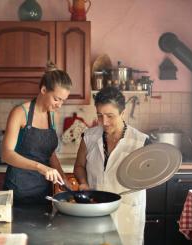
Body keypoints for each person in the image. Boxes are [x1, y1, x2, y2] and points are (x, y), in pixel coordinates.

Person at [74, 86, 150, 245]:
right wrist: (83, 183)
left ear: (123, 113)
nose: (104, 122)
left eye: (110, 116)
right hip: (95, 209)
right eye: (100, 116)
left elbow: (150, 177)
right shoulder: (89, 137)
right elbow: (79, 166)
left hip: (126, 212)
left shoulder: (141, 142)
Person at [1, 61, 72, 205]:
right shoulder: (20, 113)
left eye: (63, 101)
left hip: (44, 192)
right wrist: (41, 167)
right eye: (56, 99)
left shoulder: (53, 116)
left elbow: (49, 153)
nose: (59, 105)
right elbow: (6, 154)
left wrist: (63, 178)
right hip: (18, 191)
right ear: (44, 90)